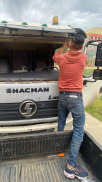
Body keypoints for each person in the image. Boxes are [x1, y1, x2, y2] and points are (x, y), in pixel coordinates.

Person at [53, 28, 88, 180]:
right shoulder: (83, 58)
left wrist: (63, 48)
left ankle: (60, 151)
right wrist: (72, 47)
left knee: (61, 123)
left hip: (63, 97)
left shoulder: (61, 58)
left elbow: (55, 56)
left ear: (70, 43)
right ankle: (70, 167)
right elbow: (78, 52)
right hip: (76, 98)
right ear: (81, 46)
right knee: (78, 130)